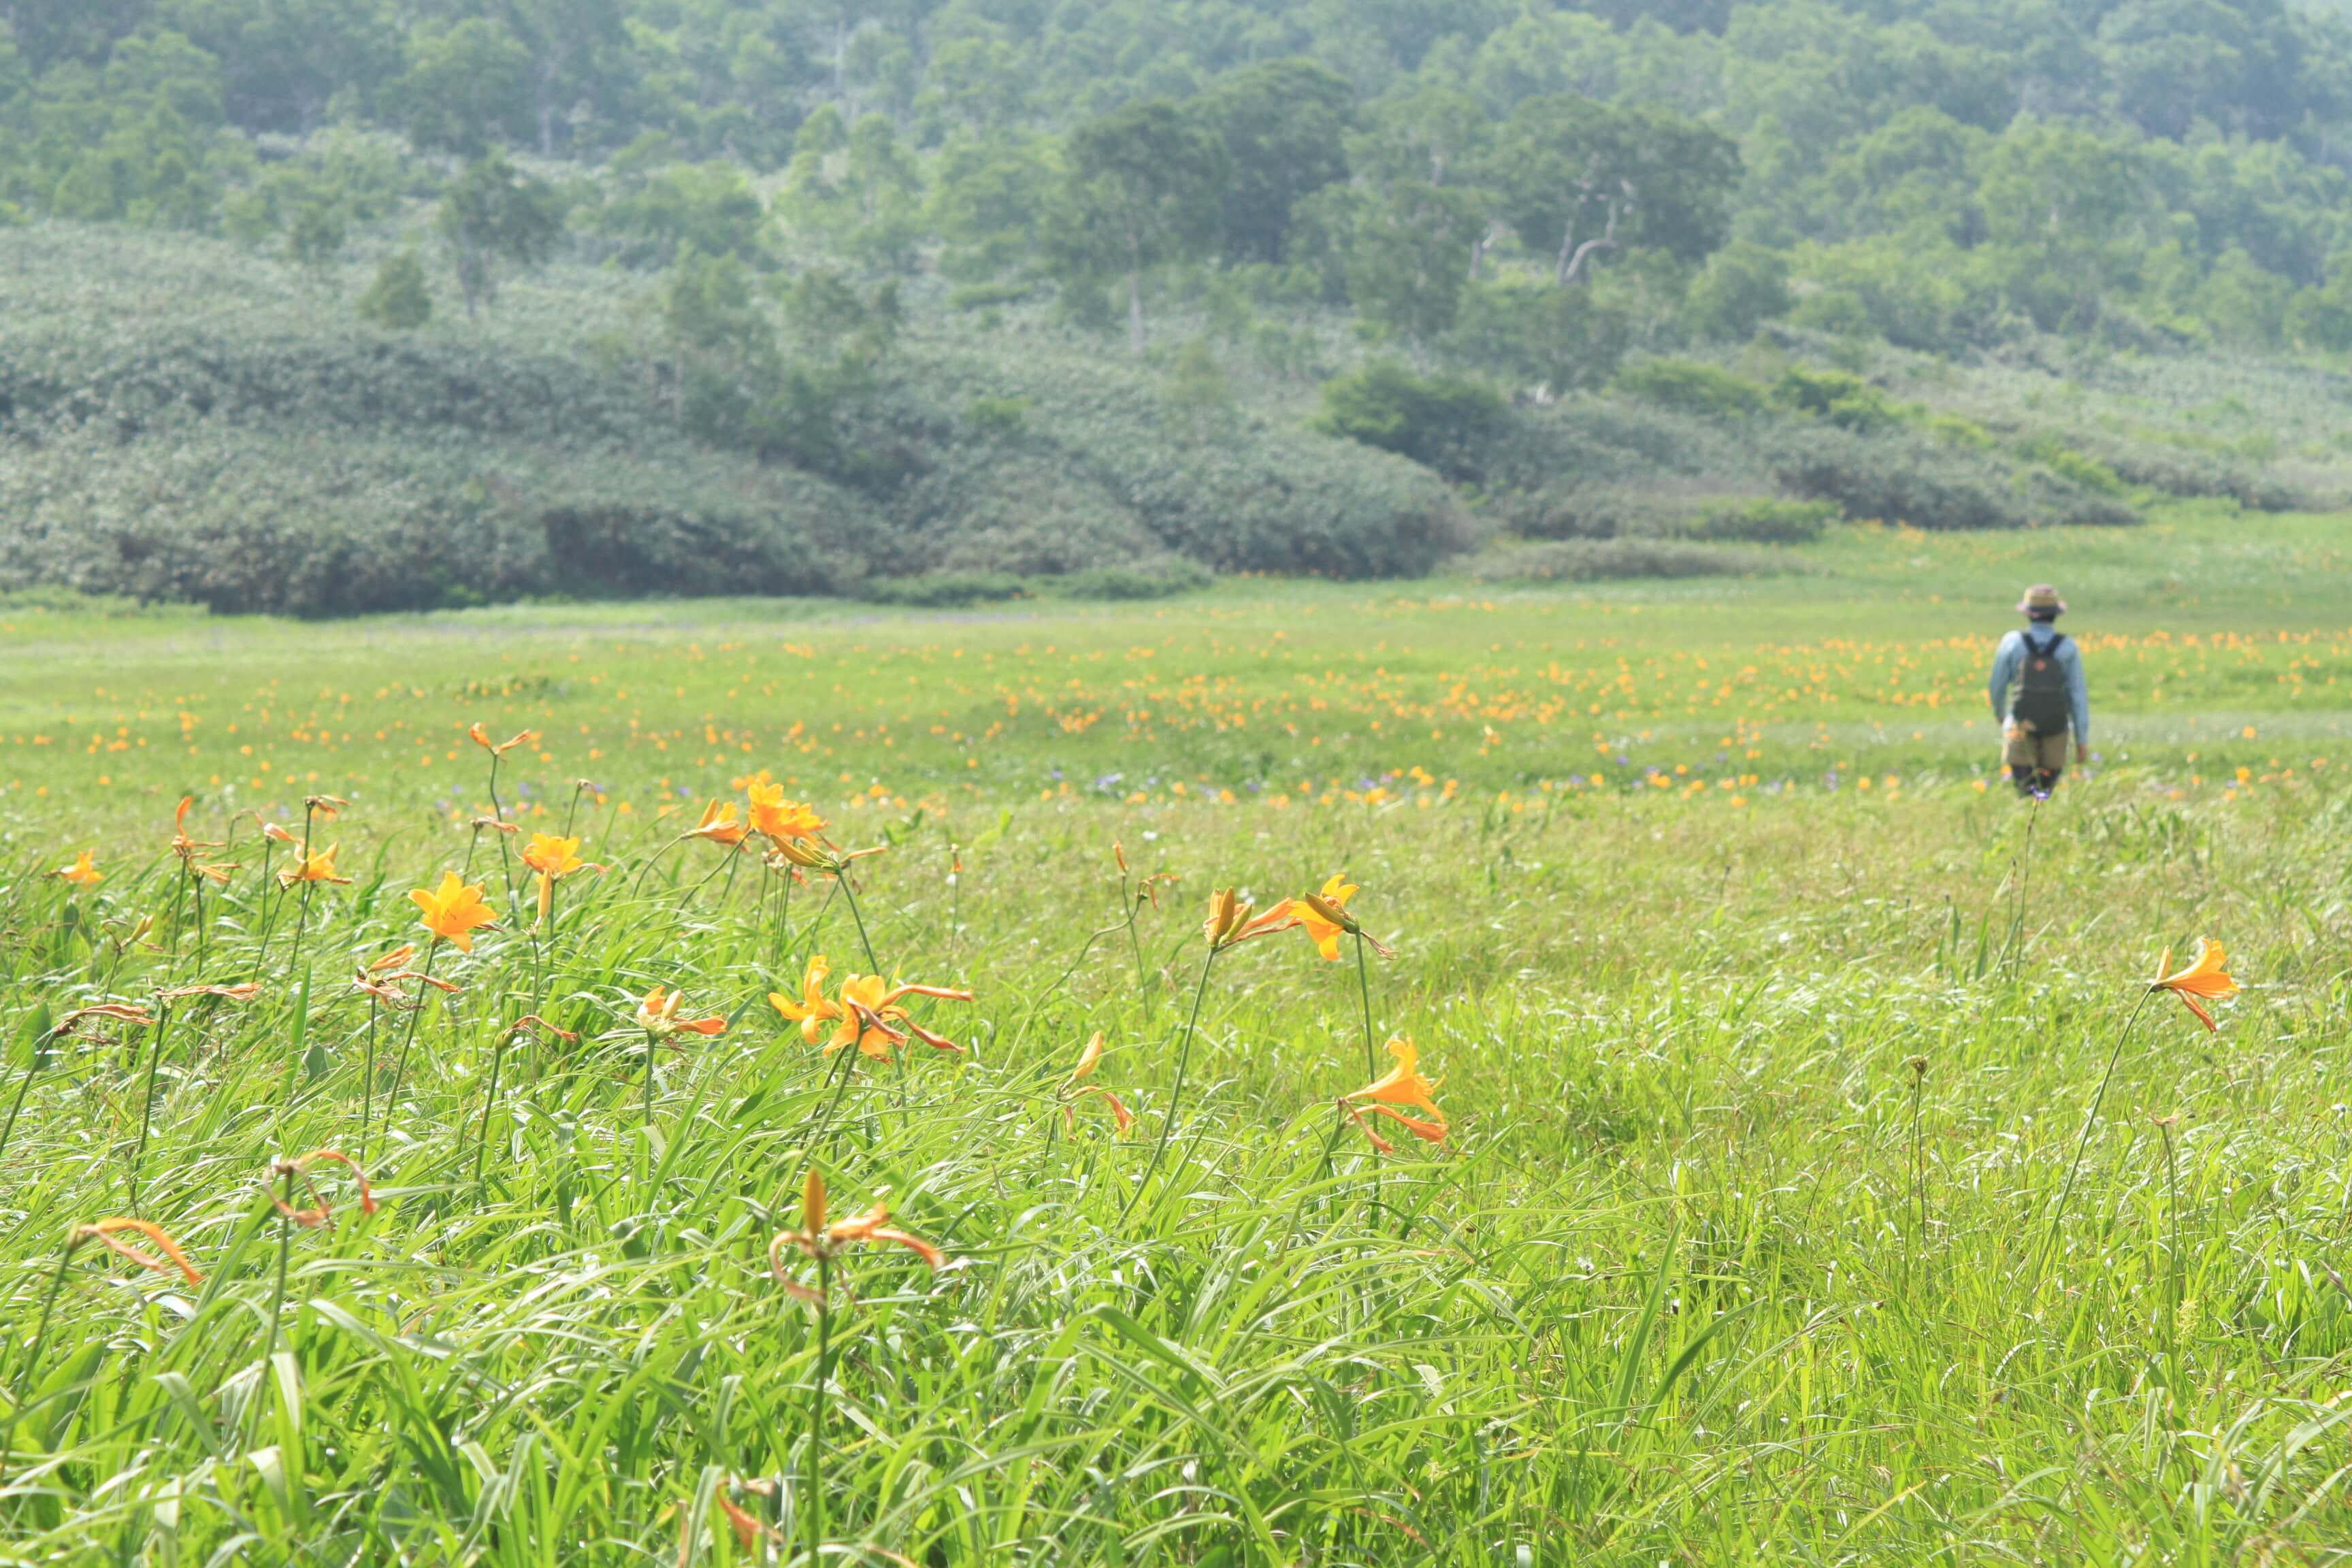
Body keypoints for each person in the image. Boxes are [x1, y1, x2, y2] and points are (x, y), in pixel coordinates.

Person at [1987, 583, 2088, 796]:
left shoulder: (2012, 642)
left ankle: (2026, 819)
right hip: (2057, 727)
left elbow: (1996, 686)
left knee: (2024, 788)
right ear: (2055, 615)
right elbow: (2077, 696)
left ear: (2027, 613)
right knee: (2045, 792)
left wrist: (2001, 716)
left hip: (2020, 723)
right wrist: (2082, 738)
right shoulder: (2068, 647)